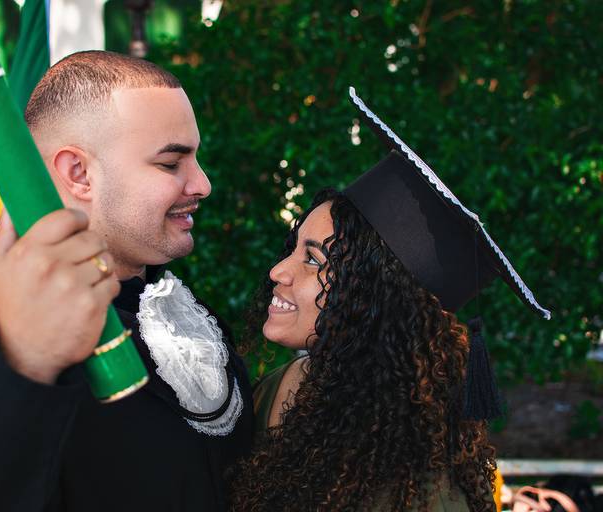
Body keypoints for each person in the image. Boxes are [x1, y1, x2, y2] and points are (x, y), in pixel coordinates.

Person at [0, 51, 254, 511]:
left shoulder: (191, 319)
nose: (202, 184)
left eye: (195, 159)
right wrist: (25, 364)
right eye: (170, 163)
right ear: (79, 173)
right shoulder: (13, 353)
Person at [230, 88, 550, 511]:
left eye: (312, 260)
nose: (278, 271)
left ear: (373, 296)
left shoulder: (417, 474)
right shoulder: (276, 388)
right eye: (292, 248)